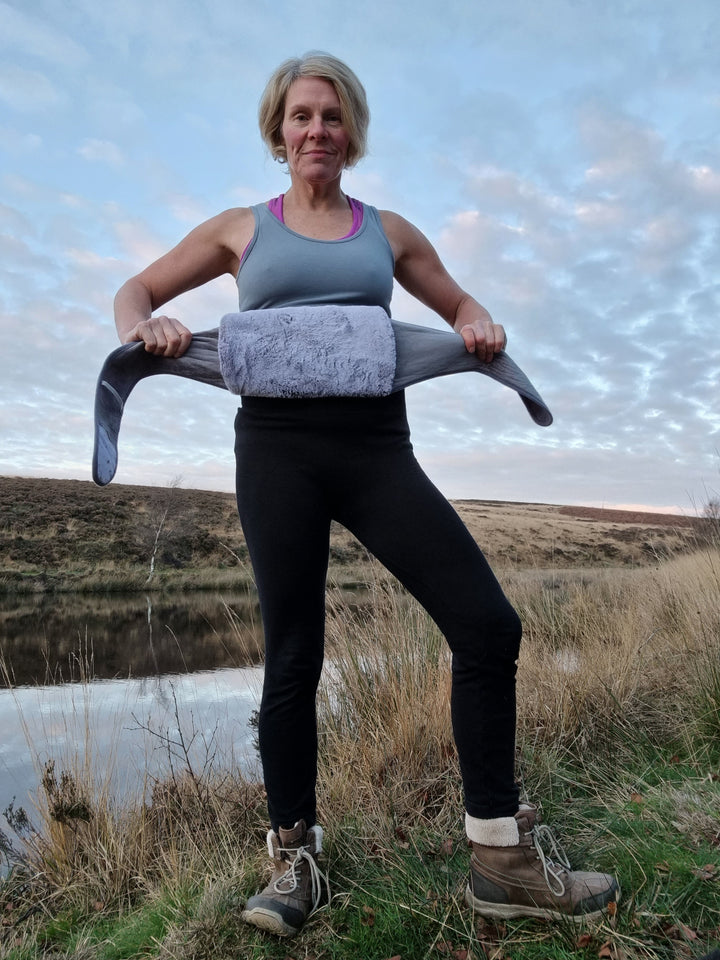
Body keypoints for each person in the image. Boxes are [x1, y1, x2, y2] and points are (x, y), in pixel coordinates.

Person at [113, 52, 619, 938]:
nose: (317, 131)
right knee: (294, 656)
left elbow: (462, 305)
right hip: (277, 454)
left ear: (353, 133)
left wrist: (474, 322)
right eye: (302, 116)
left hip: (378, 449)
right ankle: (295, 860)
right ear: (279, 130)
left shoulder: (388, 232)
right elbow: (138, 289)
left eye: (333, 118)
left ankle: (499, 856)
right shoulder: (241, 229)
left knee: (488, 623)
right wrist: (142, 325)